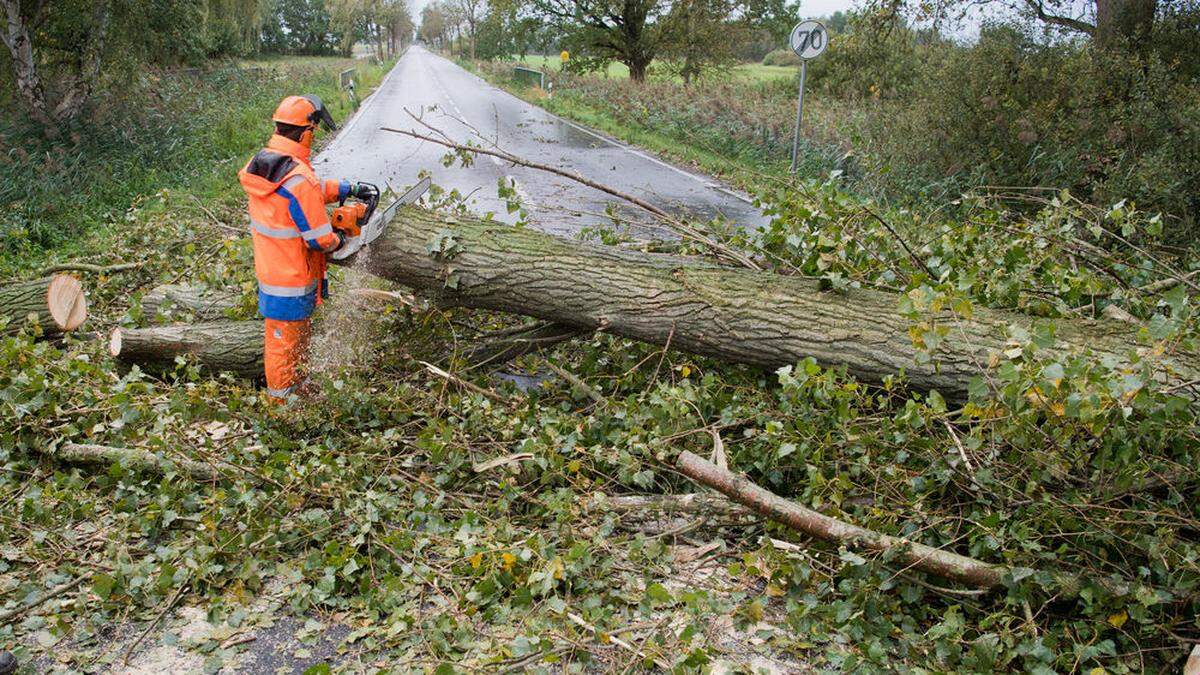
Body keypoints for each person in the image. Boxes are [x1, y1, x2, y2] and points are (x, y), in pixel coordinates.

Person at [237, 94, 376, 401]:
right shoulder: (298, 178)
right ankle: (283, 404)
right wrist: (342, 239)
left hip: (272, 270)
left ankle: (297, 389)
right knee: (285, 346)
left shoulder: (264, 165)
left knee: (294, 341)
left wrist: (347, 188)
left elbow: (302, 192)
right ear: (306, 132)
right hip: (293, 278)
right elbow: (320, 238)